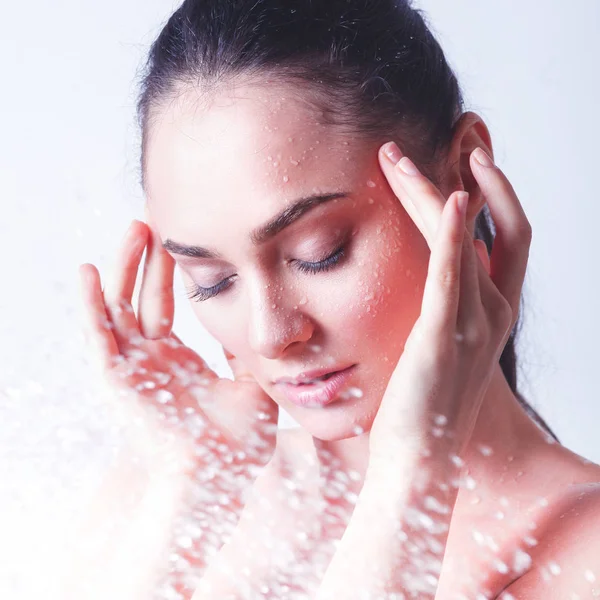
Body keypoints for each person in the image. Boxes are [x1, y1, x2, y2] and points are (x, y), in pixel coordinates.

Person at [78, 0, 600, 598]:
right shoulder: (176, 491)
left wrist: (413, 466)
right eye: (212, 280)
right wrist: (194, 484)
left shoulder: (586, 551)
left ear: (461, 173)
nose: (271, 334)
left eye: (319, 253)